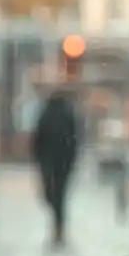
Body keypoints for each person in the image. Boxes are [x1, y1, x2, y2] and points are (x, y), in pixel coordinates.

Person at [31, 84, 80, 247]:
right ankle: (58, 226)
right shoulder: (50, 113)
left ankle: (58, 229)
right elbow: (39, 136)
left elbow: (74, 137)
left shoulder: (63, 113)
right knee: (55, 194)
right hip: (52, 160)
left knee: (58, 194)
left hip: (59, 160)